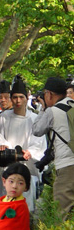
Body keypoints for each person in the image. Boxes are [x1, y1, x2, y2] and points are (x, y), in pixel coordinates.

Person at [0, 75, 45, 212]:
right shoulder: (3, 118)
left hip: (26, 168)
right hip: (7, 169)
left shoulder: (35, 119)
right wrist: (1, 146)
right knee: (5, 208)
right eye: (15, 97)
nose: (18, 101)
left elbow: (39, 143)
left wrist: (30, 152)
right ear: (11, 99)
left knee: (24, 208)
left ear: (26, 98)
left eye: (21, 97)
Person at [32, 76, 74, 217]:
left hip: (67, 167)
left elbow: (37, 130)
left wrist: (43, 108)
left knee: (62, 213)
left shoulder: (52, 111)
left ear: (49, 94)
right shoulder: (72, 104)